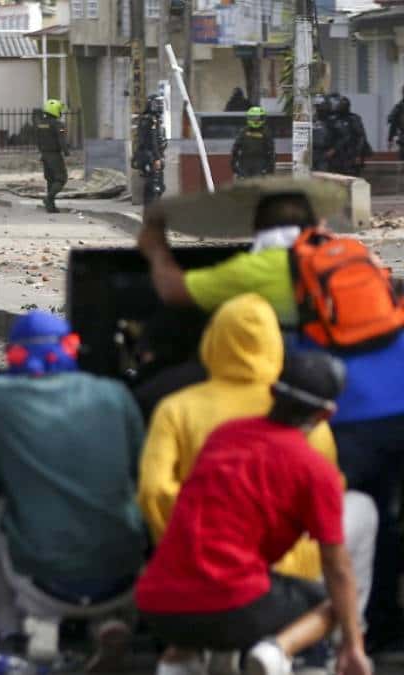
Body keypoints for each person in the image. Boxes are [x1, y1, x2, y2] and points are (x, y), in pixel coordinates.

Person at [138, 190, 404, 650]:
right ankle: (381, 624)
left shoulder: (263, 267)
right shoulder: (353, 255)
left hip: (348, 410)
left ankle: (319, 629)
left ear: (259, 229)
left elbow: (173, 290)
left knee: (330, 519)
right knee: (384, 518)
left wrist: (156, 245)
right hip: (396, 402)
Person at [137, 352, 373, 675]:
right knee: (336, 602)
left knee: (198, 600)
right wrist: (353, 644)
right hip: (235, 604)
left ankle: (178, 661)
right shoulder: (315, 471)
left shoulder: (224, 436)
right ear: (326, 414)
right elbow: (338, 569)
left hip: (157, 602)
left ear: (272, 392)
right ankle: (275, 652)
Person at [137, 295, 373, 588]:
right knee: (361, 507)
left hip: (200, 561)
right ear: (275, 344)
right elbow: (328, 495)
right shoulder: (300, 412)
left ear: (213, 338)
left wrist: (190, 540)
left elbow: (153, 490)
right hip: (290, 569)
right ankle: (344, 623)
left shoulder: (176, 408)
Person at [0, 311, 147, 672]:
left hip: (42, 583)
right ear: (71, 348)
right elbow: (139, 472)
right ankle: (116, 618)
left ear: (14, 355)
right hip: (126, 574)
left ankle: (8, 627)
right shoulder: (113, 394)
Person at [35, 99, 70, 214]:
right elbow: (62, 139)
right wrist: (66, 151)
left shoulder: (40, 124)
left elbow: (38, 140)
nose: (60, 112)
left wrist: (41, 152)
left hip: (44, 155)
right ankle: (49, 198)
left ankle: (51, 206)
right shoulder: (58, 125)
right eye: (59, 110)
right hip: (54, 155)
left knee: (50, 180)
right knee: (61, 178)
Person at [134, 95, 167, 204]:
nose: (160, 106)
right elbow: (153, 141)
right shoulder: (152, 120)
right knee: (155, 185)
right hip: (151, 156)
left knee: (150, 185)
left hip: (145, 155)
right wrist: (157, 158)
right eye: (158, 104)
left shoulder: (144, 119)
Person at [231, 106, 276, 180]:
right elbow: (235, 148)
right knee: (244, 186)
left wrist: (269, 169)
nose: (256, 120)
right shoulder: (244, 131)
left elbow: (271, 152)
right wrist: (234, 165)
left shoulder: (266, 133)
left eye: (258, 118)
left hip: (261, 163)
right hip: (245, 163)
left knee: (259, 187)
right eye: (253, 118)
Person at [330, 96, 371, 176]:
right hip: (337, 155)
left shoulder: (354, 119)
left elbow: (361, 137)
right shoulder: (334, 119)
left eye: (342, 105)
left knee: (352, 178)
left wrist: (358, 154)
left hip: (351, 154)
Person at [312, 95, 334, 172]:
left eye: (320, 106)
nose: (318, 108)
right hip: (312, 152)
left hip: (326, 152)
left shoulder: (331, 120)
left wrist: (333, 149)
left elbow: (340, 136)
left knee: (324, 175)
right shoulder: (312, 119)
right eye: (316, 106)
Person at [389, 86, 404, 161]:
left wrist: (390, 139)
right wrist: (390, 139)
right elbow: (393, 124)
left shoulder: (398, 107)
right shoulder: (399, 107)